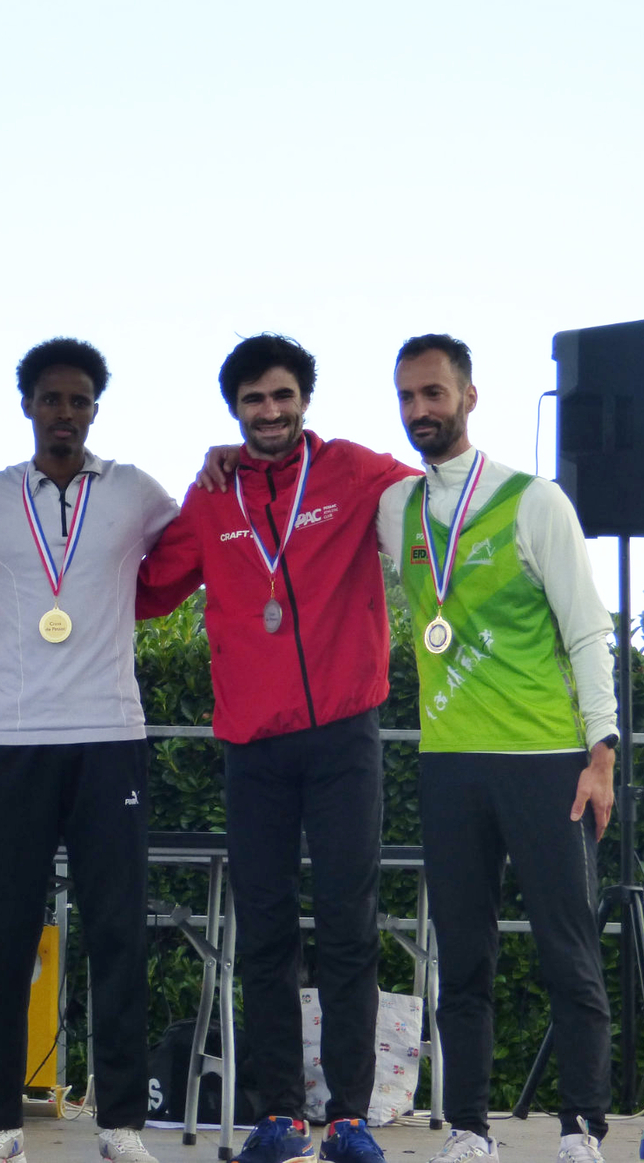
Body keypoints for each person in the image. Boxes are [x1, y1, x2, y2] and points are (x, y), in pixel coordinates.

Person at [138, 334, 416, 1163]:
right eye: (254, 399)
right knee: (263, 933)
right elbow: (148, 590)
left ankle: (350, 1119)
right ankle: (281, 1117)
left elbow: (435, 503)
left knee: (348, 925)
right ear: (235, 409)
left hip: (342, 735)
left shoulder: (353, 471)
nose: (270, 412)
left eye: (283, 395)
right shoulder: (211, 497)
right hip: (252, 746)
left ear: (305, 399)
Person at [0, 337, 179, 1163]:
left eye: (78, 400)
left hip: (111, 738)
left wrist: (219, 470)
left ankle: (120, 1124)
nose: (64, 413)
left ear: (95, 409)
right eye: (50, 399)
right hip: (16, 741)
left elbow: (195, 549)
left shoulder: (135, 491)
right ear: (27, 406)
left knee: (118, 934)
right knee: (7, 935)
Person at [378, 334, 616, 1163]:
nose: (420, 410)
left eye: (434, 393)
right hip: (449, 763)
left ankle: (582, 1127)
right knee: (463, 958)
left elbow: (587, 631)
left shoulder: (534, 501)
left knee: (568, 952)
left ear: (469, 397)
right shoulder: (396, 509)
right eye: (407, 396)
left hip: (547, 761)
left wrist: (601, 756)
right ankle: (470, 1128)